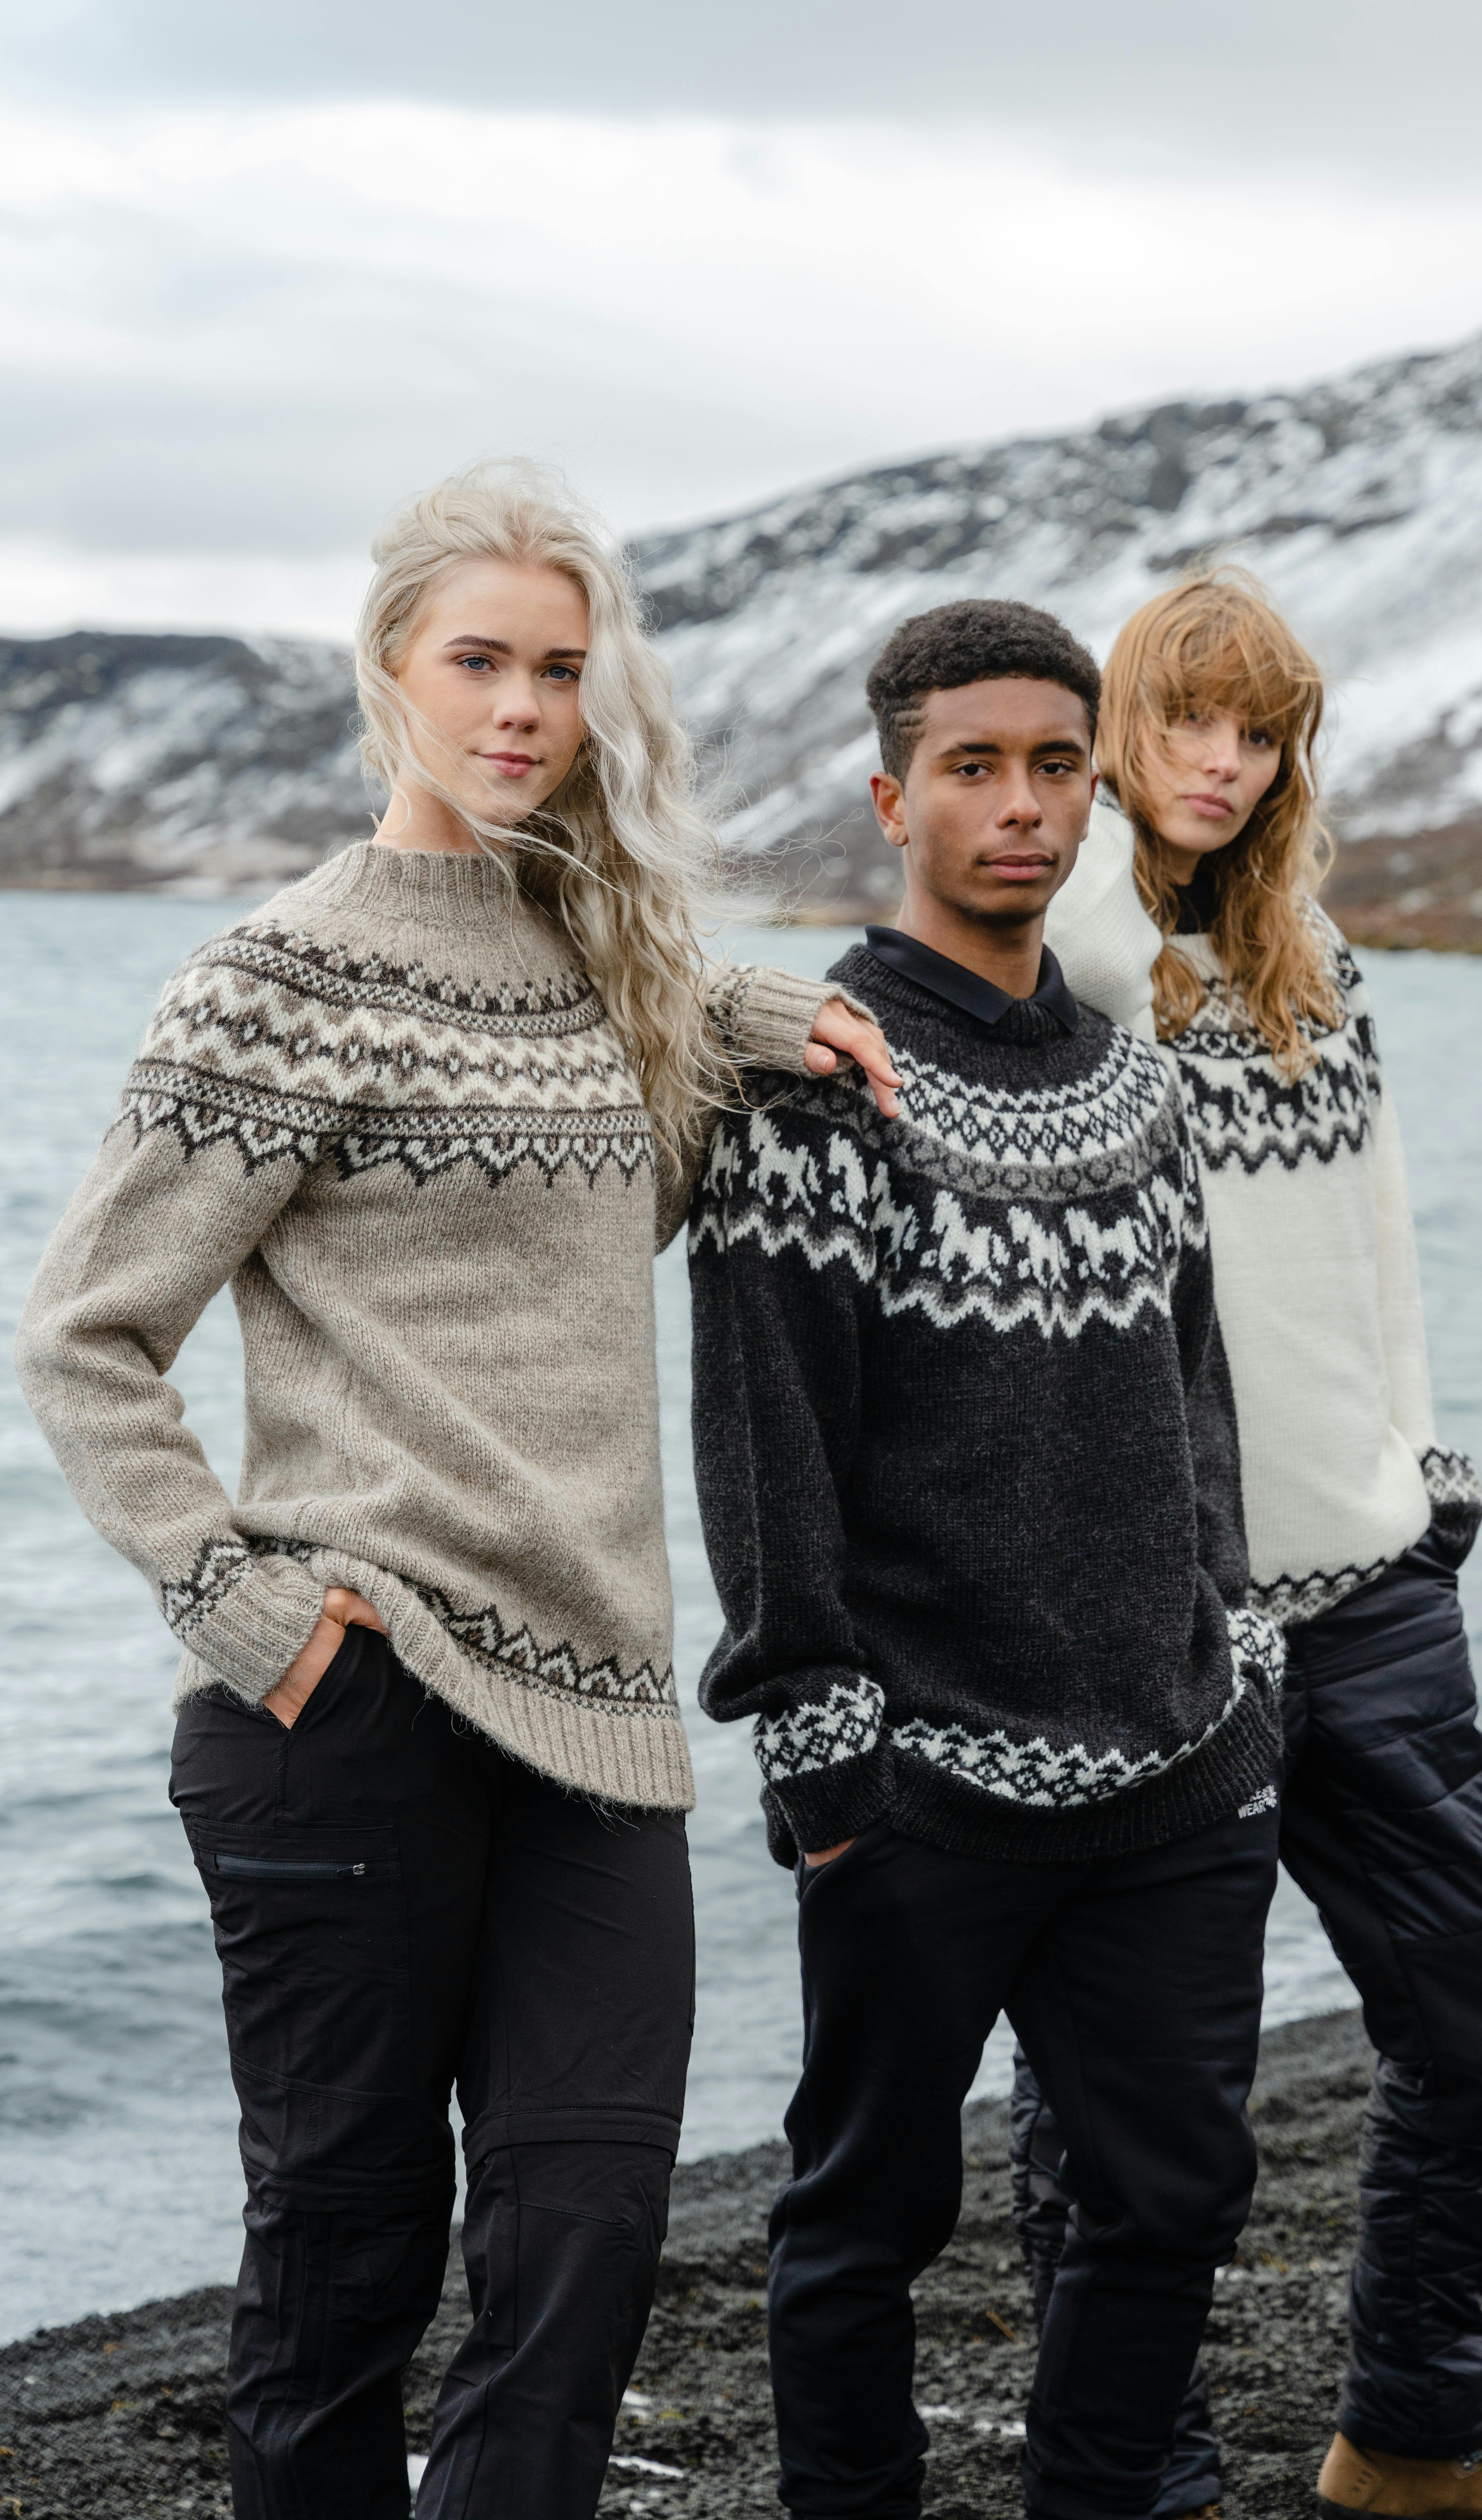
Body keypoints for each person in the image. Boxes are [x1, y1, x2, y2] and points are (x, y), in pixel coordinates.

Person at [13, 459, 901, 2520]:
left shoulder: (606, 975)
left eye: (560, 671)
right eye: (479, 659)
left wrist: (761, 1015)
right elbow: (84, 1334)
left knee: (581, 2255)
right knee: (344, 2270)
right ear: (391, 670)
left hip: (598, 1715)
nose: (520, 706)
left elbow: (652, 1136)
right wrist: (238, 1599)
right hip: (352, 1695)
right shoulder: (277, 976)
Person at [1014, 569, 1482, 2520]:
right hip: (1158, 1627)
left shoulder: (1313, 958)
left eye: (1255, 729)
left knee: (1479, 2015)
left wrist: (1420, 1471)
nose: (1217, 760)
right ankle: (1130, 2473)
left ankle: (1410, 2430)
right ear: (1116, 735)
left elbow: (1374, 1251)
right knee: (1122, 2104)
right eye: (1180, 721)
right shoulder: (1071, 956)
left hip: (1366, 1589)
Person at [687, 596, 1287, 2520]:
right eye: (971, 771)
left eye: (1052, 767)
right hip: (922, 1788)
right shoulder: (818, 1090)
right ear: (892, 797)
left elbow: (1193, 1389)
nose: (1018, 809)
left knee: (1176, 2189)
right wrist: (816, 1744)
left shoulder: (1135, 1078)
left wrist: (1240, 1652)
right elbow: (764, 1440)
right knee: (867, 2216)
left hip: (1176, 1772)